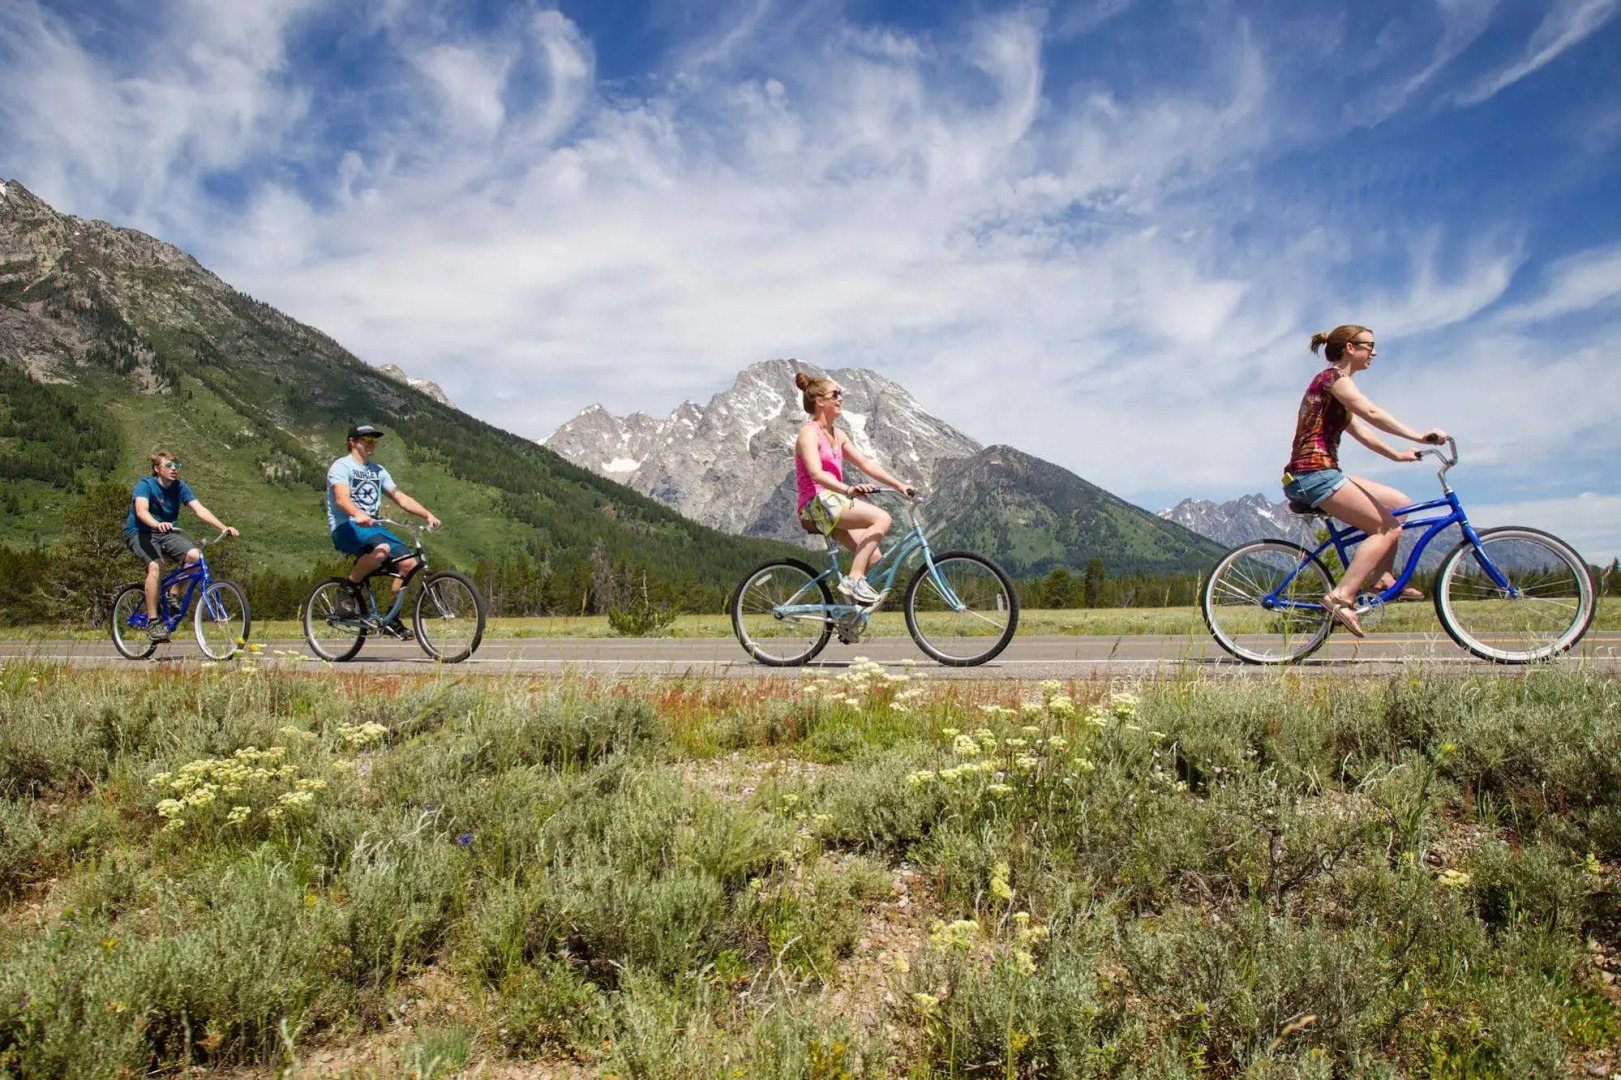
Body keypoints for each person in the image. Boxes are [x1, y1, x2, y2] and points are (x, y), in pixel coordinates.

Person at [1282, 326, 1448, 638]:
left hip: (1322, 472)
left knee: (1399, 504)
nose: (1374, 352)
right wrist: (1419, 435)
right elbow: (1371, 412)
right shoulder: (1333, 379)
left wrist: (1397, 456)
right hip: (1313, 474)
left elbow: (1363, 432)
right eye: (1369, 346)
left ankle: (1382, 576)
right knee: (1387, 528)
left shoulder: (1337, 390)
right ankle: (1341, 597)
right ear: (1349, 348)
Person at [793, 372, 916, 605]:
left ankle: (845, 613)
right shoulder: (809, 432)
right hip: (815, 503)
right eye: (836, 394)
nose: (841, 399)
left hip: (831, 504)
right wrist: (848, 489)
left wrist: (899, 485)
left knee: (874, 557)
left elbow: (866, 464)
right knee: (882, 517)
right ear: (820, 401)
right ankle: (854, 579)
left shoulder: (838, 435)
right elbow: (816, 473)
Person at [326, 424, 441, 638]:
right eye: (366, 440)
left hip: (372, 528)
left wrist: (427, 515)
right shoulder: (341, 467)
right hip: (346, 525)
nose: (372, 445)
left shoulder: (378, 471)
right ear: (352, 442)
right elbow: (342, 498)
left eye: (374, 441)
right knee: (382, 549)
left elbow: (400, 497)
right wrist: (357, 513)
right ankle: (347, 589)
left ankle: (391, 618)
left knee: (409, 563)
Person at [124, 450, 238, 642]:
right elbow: (141, 511)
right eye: (168, 466)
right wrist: (156, 523)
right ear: (156, 469)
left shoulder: (179, 487)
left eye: (176, 466)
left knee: (195, 556)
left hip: (167, 533)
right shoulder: (145, 485)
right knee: (155, 566)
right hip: (140, 532)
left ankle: (173, 593)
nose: (174, 469)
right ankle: (153, 621)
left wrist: (223, 527)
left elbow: (199, 509)